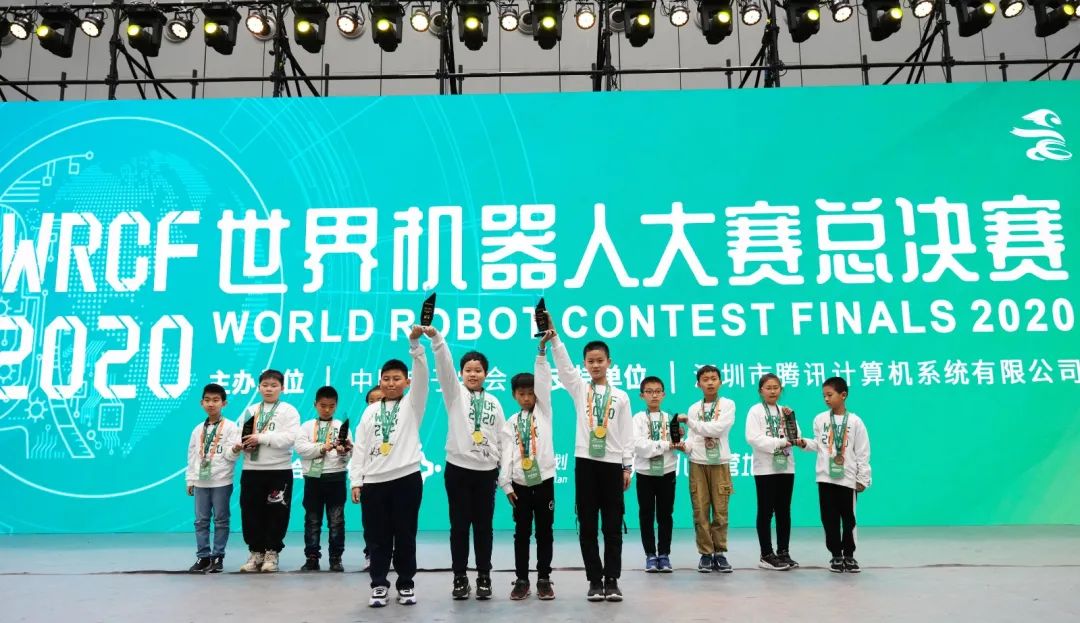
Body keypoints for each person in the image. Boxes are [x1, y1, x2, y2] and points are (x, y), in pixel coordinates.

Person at [550, 320, 634, 602]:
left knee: (612, 525)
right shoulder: (580, 389)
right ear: (584, 364)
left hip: (612, 465)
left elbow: (627, 434)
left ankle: (612, 580)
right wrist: (555, 338)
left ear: (609, 362)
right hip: (585, 463)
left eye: (600, 360)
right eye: (590, 361)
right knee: (587, 525)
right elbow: (564, 367)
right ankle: (595, 580)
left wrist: (627, 465)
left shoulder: (620, 396)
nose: (595, 365)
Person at [350, 325, 431, 607]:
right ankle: (378, 585)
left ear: (407, 382)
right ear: (380, 382)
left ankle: (406, 584)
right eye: (386, 379)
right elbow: (360, 448)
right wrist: (356, 480)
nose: (391, 383)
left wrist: (415, 346)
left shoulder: (412, 404)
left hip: (406, 479)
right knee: (377, 538)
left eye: (397, 379)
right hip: (374, 483)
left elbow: (423, 376)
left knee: (405, 536)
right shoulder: (370, 411)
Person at [431, 329, 506, 600]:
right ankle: (460, 577)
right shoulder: (454, 394)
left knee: (484, 528)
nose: (473, 374)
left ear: (486, 373)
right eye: (468, 370)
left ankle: (484, 576)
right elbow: (444, 367)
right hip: (458, 471)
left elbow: (502, 439)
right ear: (461, 373)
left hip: (486, 473)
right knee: (460, 527)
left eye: (478, 370)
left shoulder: (494, 402)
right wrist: (437, 341)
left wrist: (501, 472)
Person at [499, 329, 558, 601]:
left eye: (531, 393)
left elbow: (543, 380)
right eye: (521, 394)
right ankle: (522, 579)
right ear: (514, 395)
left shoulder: (544, 412)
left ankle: (544, 578)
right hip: (520, 486)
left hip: (543, 482)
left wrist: (542, 352)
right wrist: (506, 485)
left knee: (545, 533)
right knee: (521, 534)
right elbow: (506, 455)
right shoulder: (510, 423)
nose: (526, 397)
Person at [233, 369, 301, 573]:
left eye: (274, 385)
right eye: (265, 385)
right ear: (258, 387)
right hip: (252, 469)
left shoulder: (289, 411)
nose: (269, 389)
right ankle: (256, 552)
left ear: (282, 388)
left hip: (279, 470)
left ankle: (272, 553)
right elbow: (240, 435)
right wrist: (244, 445)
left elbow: (291, 438)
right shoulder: (250, 410)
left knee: (277, 513)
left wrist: (261, 438)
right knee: (250, 512)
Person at [804, 376, 872, 573]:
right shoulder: (820, 419)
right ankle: (835, 555)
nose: (826, 399)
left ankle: (849, 555)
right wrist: (803, 443)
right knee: (829, 518)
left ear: (843, 395)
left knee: (849, 519)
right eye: (824, 395)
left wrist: (863, 478)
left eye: (830, 395)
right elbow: (819, 445)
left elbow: (862, 452)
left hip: (848, 478)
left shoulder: (855, 421)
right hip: (825, 477)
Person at [745, 373, 806, 571]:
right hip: (765, 468)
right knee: (765, 511)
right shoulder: (755, 411)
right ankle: (766, 554)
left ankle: (783, 552)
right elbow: (753, 438)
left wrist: (791, 419)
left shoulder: (785, 411)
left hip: (786, 466)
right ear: (760, 391)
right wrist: (779, 442)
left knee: (784, 511)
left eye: (776, 387)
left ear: (781, 389)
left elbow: (796, 436)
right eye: (768, 388)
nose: (773, 391)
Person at [680, 365, 736, 574]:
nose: (710, 382)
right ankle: (705, 553)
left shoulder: (728, 404)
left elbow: (718, 429)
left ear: (720, 382)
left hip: (719, 462)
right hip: (697, 463)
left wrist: (691, 423)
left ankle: (719, 552)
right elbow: (692, 438)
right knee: (700, 510)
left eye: (714, 378)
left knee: (721, 510)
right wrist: (683, 445)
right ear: (699, 384)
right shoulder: (694, 408)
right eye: (705, 379)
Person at [295, 385, 352, 572]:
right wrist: (322, 447)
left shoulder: (342, 426)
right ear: (315, 404)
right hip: (313, 479)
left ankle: (336, 558)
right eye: (323, 405)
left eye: (331, 406)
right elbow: (301, 449)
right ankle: (312, 557)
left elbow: (348, 456)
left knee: (337, 520)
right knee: (312, 519)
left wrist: (344, 452)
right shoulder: (306, 426)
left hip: (336, 477)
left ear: (336, 405)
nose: (327, 410)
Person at [185, 383, 241, 573]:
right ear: (201, 403)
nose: (211, 404)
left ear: (224, 403)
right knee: (200, 520)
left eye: (216, 400)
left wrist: (235, 450)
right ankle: (203, 557)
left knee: (221, 520)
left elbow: (231, 456)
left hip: (222, 480)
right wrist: (190, 479)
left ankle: (218, 556)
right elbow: (192, 455)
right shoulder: (197, 430)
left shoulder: (231, 427)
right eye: (207, 400)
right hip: (201, 481)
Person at [632, 376, 682, 574]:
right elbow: (638, 445)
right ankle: (650, 555)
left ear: (663, 394)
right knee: (646, 514)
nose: (654, 395)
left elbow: (676, 442)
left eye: (657, 391)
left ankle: (664, 554)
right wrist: (665, 445)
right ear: (642, 395)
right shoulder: (638, 419)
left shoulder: (671, 418)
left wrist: (678, 439)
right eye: (649, 391)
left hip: (667, 471)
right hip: (644, 473)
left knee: (665, 515)